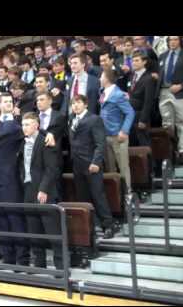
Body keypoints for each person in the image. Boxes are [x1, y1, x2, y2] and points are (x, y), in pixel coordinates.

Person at [0, 104, 27, 266]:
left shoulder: (9, 126)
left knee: (15, 221)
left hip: (10, 182)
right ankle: (8, 258)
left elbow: (26, 131)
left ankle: (22, 260)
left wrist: (47, 133)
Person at [18, 112, 62, 270]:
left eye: (28, 124)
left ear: (37, 125)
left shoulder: (46, 141)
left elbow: (51, 169)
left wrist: (43, 189)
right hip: (28, 189)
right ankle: (39, 264)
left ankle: (60, 267)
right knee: (33, 230)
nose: (24, 128)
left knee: (52, 231)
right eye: (23, 125)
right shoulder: (23, 143)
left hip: (45, 191)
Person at [69, 95, 117, 239]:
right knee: (83, 197)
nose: (75, 106)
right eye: (73, 103)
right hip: (77, 164)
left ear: (86, 104)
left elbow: (100, 143)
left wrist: (96, 162)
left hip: (91, 163)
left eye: (78, 103)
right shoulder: (72, 119)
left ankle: (108, 225)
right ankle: (91, 226)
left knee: (98, 195)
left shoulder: (94, 119)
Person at [99, 69, 135, 193]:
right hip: (106, 135)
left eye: (101, 76)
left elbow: (130, 112)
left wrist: (124, 131)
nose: (99, 79)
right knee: (110, 168)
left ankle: (127, 194)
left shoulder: (118, 94)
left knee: (123, 167)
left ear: (106, 78)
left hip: (118, 136)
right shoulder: (103, 92)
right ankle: (116, 196)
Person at [158, 36, 183, 156]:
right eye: (170, 40)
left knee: (181, 122)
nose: (172, 42)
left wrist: (181, 86)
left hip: (179, 92)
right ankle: (170, 152)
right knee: (167, 124)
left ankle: (182, 150)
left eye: (175, 39)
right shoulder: (162, 56)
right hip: (164, 92)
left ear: (180, 41)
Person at [128, 51, 156, 147]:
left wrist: (143, 120)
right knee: (133, 144)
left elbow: (148, 101)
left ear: (144, 62)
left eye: (137, 60)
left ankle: (150, 162)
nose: (134, 63)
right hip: (130, 115)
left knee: (144, 144)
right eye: (133, 61)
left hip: (141, 116)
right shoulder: (132, 76)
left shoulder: (149, 78)